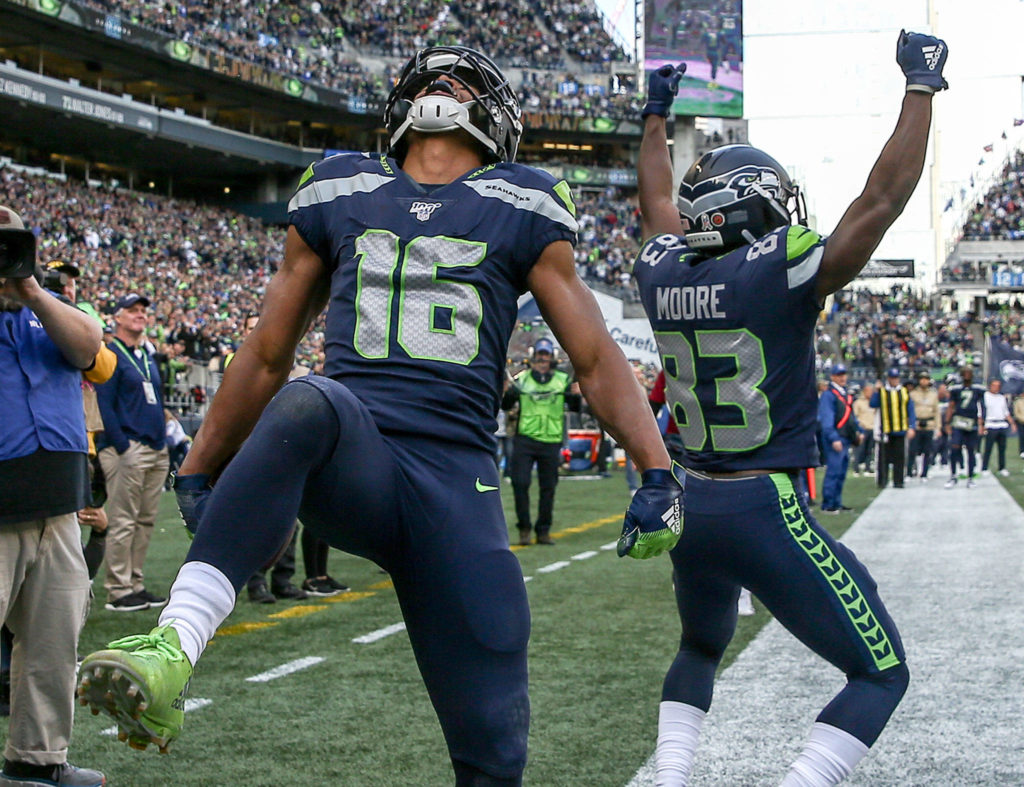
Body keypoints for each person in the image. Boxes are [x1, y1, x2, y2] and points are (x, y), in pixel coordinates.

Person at [78, 46, 680, 785]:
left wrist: (656, 470)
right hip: (353, 458)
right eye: (431, 80)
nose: (443, 89)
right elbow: (268, 352)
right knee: (308, 396)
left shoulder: (524, 198)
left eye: (460, 82)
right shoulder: (340, 187)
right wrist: (202, 461)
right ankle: (173, 647)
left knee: (495, 756)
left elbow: (591, 355)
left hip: (458, 490)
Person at [633, 28, 945, 785]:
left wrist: (655, 115)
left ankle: (670, 777)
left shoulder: (660, 266)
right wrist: (922, 86)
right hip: (764, 507)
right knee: (882, 672)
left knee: (701, 645)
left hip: (691, 503)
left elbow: (654, 204)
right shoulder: (780, 268)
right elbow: (882, 199)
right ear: (756, 208)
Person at [0, 205, 106, 787]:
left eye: (10, 241)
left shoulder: (52, 308)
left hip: (59, 505)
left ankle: (36, 761)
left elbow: (88, 346)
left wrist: (31, 287)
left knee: (52, 642)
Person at [226, 312, 309, 603]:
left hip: (286, 445)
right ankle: (256, 581)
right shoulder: (239, 365)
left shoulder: (292, 368)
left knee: (290, 515)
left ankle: (283, 578)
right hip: (254, 444)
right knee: (257, 515)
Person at [95, 293, 170, 612]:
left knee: (145, 520)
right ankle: (118, 588)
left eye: (143, 310)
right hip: (128, 446)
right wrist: (121, 445)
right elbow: (104, 404)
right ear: (117, 318)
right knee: (124, 518)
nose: (140, 315)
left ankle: (135, 583)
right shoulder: (111, 354)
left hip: (154, 445)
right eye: (133, 311)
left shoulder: (147, 356)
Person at [502, 337, 580, 546]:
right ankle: (524, 528)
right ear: (533, 357)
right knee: (520, 483)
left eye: (545, 356)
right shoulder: (523, 379)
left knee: (549, 487)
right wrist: (509, 392)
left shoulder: (563, 380)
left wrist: (574, 395)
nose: (542, 359)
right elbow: (505, 405)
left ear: (552, 358)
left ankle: (543, 530)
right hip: (525, 438)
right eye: (539, 355)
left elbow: (574, 408)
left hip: (551, 440)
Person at [818, 364, 860, 513]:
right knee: (834, 471)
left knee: (841, 472)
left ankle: (836, 501)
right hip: (836, 438)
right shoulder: (829, 395)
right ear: (833, 377)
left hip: (845, 437)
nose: (843, 377)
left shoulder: (844, 394)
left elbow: (851, 416)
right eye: (839, 375)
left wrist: (858, 431)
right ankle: (828, 504)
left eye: (844, 374)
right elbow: (826, 419)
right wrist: (833, 437)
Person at [870, 368, 916, 489]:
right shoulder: (883, 391)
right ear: (889, 379)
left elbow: (910, 410)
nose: (895, 380)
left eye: (896, 378)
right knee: (883, 458)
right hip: (885, 429)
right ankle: (882, 480)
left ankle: (899, 480)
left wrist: (912, 426)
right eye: (892, 378)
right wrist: (876, 391)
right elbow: (873, 404)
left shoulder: (904, 392)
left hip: (900, 429)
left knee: (900, 457)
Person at [944, 365, 985, 489]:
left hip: (971, 422)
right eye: (965, 373)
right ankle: (953, 475)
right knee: (955, 447)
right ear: (961, 375)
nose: (967, 375)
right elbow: (951, 406)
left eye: (969, 373)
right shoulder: (956, 389)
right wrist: (947, 422)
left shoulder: (977, 389)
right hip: (958, 421)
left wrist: (981, 423)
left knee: (970, 450)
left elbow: (981, 407)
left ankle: (970, 477)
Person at [907, 370, 938, 481]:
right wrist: (910, 425)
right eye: (922, 379)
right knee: (913, 450)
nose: (924, 381)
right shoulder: (913, 394)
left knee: (927, 451)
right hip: (917, 424)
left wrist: (937, 427)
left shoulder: (933, 395)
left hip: (929, 424)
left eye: (926, 379)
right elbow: (909, 410)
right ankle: (909, 472)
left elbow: (936, 411)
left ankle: (924, 473)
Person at [981, 378, 1013, 476]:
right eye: (994, 385)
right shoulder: (985, 396)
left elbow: (1006, 412)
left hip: (1001, 424)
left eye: (998, 386)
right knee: (988, 448)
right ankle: (984, 468)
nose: (996, 388)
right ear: (990, 386)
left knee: (1002, 448)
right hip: (990, 424)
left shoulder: (1001, 397)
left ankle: (1002, 467)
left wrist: (1012, 423)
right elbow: (981, 411)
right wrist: (982, 425)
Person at [852, 383, 876, 476]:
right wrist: (858, 429)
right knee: (859, 450)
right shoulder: (858, 402)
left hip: (872, 428)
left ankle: (867, 468)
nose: (870, 393)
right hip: (862, 428)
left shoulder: (873, 402)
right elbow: (855, 416)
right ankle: (856, 469)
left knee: (869, 450)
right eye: (869, 391)